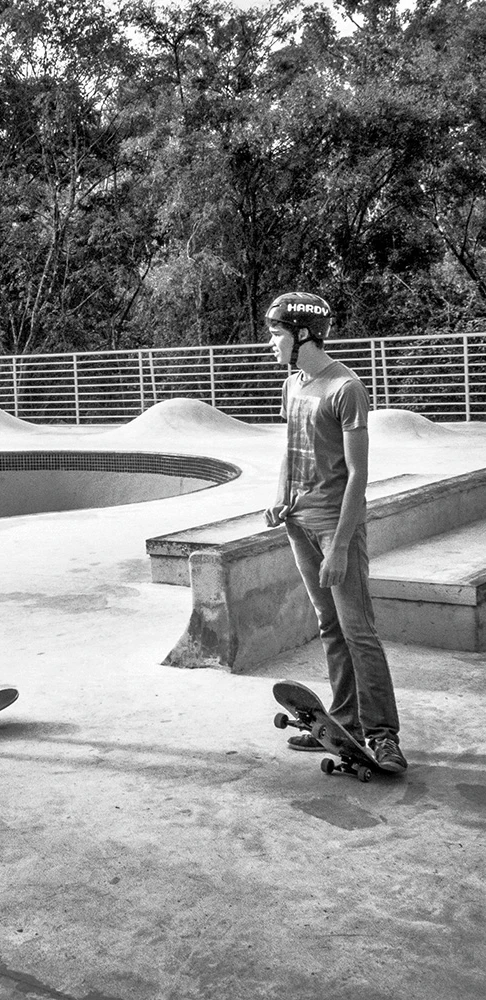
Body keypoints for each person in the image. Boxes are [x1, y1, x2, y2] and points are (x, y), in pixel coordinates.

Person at [263, 290, 407, 773]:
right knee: (329, 628)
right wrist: (281, 496)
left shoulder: (346, 387)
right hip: (298, 525)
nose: (271, 343)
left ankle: (384, 735)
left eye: (277, 333)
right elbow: (290, 447)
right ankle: (341, 723)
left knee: (358, 631)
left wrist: (341, 546)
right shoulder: (293, 384)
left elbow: (358, 475)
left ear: (304, 335)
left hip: (334, 528)